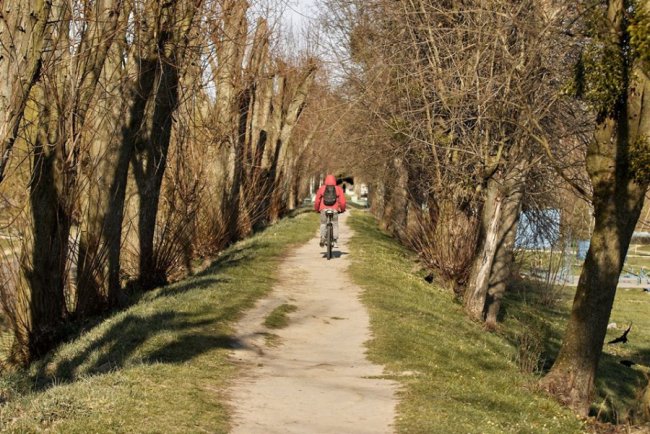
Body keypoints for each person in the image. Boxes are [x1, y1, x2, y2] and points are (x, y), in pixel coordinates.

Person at [314, 174, 346, 246]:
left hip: (323, 209)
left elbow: (317, 201)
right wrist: (342, 209)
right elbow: (343, 202)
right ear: (334, 180)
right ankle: (335, 240)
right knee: (335, 224)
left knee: (323, 223)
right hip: (334, 209)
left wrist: (317, 209)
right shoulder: (338, 189)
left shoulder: (322, 188)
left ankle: (322, 237)